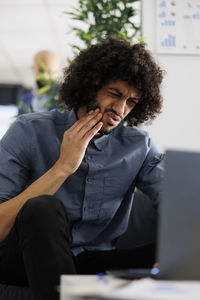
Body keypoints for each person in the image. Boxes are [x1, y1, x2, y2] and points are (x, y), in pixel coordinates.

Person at [0, 37, 165, 300]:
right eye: (115, 94)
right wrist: (63, 167)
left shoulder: (139, 146)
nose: (120, 110)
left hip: (92, 262)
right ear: (90, 86)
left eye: (131, 102)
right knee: (42, 206)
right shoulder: (29, 131)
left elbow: (176, 204)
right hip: (25, 260)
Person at [17, 50, 61, 114]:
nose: (45, 76)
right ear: (33, 68)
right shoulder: (24, 101)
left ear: (58, 71)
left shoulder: (66, 98)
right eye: (41, 70)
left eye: (49, 71)